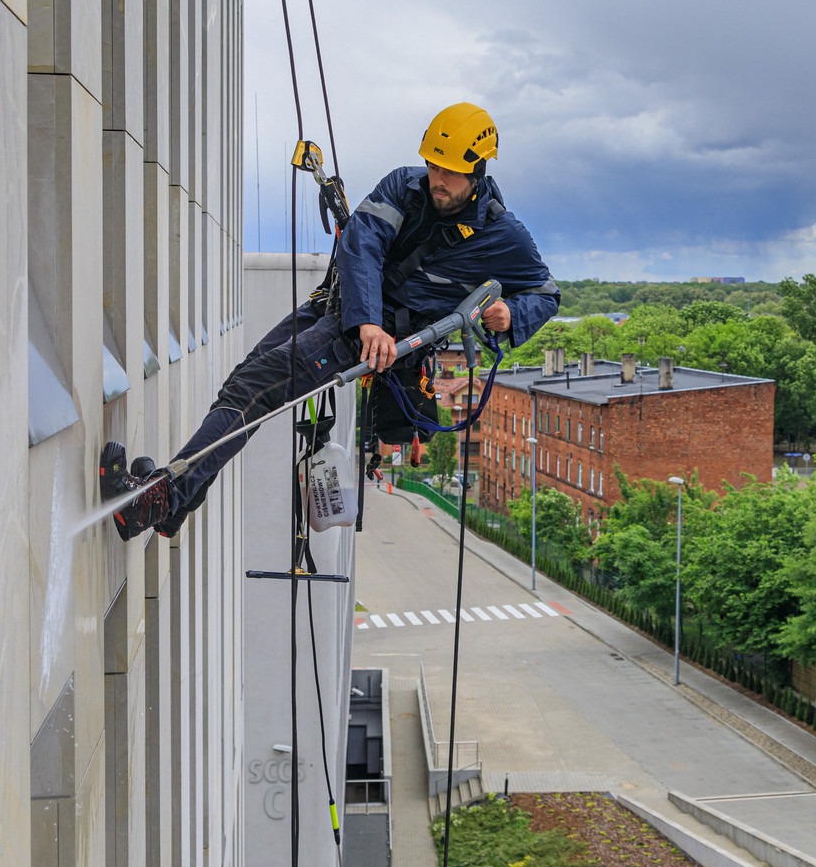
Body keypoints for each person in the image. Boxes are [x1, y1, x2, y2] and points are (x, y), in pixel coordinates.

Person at [100, 102, 560, 540]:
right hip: (342, 312)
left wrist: (510, 314)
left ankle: (158, 499)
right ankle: (177, 502)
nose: (437, 179)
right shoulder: (405, 185)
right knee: (245, 383)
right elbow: (362, 243)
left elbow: (546, 292)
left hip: (371, 341)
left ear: (477, 172)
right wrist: (364, 320)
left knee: (254, 389)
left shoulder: (504, 236)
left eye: (450, 173)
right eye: (434, 166)